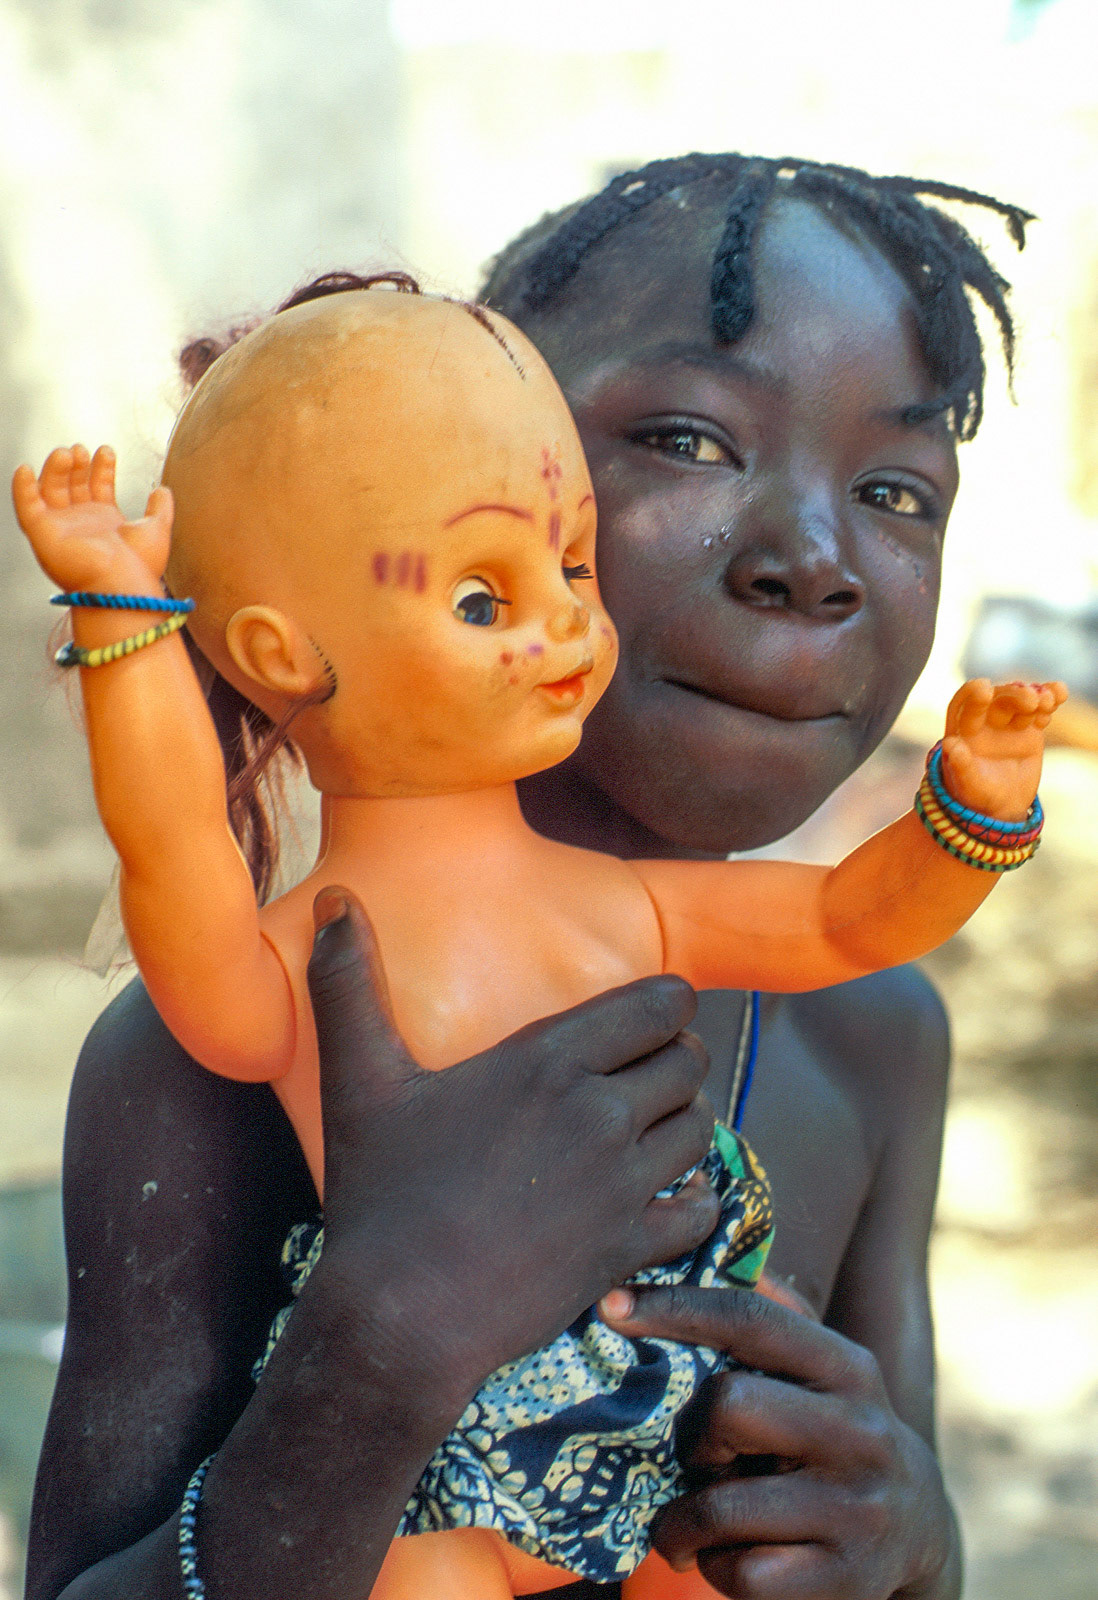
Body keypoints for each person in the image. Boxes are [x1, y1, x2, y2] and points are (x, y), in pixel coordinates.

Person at [25, 154, 1033, 1600]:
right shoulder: (215, 1058)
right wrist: (385, 1337)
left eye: (894, 488)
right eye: (689, 439)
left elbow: (888, 1520)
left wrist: (913, 1537)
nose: (813, 561)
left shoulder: (874, 1039)